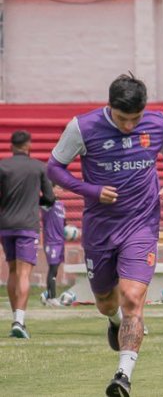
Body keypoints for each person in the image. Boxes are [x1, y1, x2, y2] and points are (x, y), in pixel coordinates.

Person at [45, 74, 163, 397]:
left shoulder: (159, 123)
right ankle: (114, 321)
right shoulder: (83, 127)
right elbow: (54, 168)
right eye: (123, 119)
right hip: (101, 226)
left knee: (133, 298)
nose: (130, 126)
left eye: (135, 119)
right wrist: (90, 190)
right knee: (107, 303)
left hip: (142, 223)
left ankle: (123, 374)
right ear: (109, 107)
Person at [0, 130, 55, 337]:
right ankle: (19, 321)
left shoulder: (3, 166)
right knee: (24, 273)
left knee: (12, 271)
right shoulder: (39, 167)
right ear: (29, 145)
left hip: (5, 225)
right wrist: (34, 201)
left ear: (11, 146)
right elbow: (50, 198)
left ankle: (15, 318)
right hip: (27, 225)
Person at [40, 193, 67, 305]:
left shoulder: (61, 205)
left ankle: (49, 296)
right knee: (52, 269)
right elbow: (40, 202)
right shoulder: (47, 205)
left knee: (55, 270)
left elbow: (64, 224)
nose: (60, 190)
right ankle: (51, 297)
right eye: (58, 187)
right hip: (52, 242)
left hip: (61, 242)